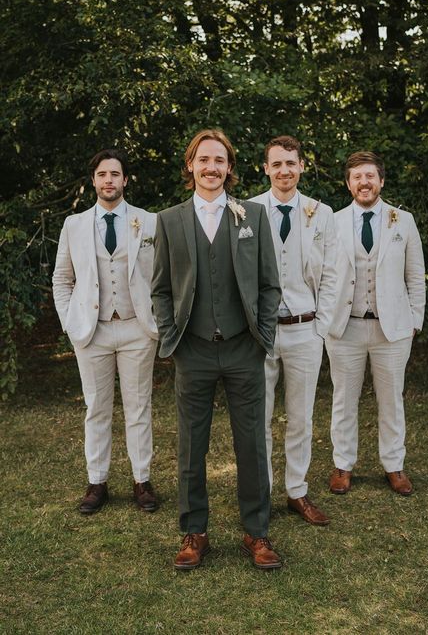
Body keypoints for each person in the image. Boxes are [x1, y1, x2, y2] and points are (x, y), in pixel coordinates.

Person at [151, 129, 282, 570]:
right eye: (204, 160)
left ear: (229, 167)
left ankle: (257, 533)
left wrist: (263, 337)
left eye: (219, 161)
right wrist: (172, 337)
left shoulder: (254, 216)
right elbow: (161, 289)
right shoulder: (169, 220)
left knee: (251, 443)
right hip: (193, 351)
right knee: (192, 445)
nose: (212, 168)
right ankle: (194, 531)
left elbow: (269, 284)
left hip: (245, 349)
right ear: (190, 165)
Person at [53, 149, 159, 514]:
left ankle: (141, 480)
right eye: (102, 174)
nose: (109, 180)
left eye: (115, 174)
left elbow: (161, 278)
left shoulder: (149, 222)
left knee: (138, 406)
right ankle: (97, 482)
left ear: (125, 179)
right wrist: (70, 321)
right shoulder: (74, 225)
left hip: (136, 329)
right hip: (92, 331)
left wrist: (155, 322)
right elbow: (62, 279)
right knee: (96, 407)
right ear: (93, 180)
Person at [326, 151, 426, 496]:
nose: (364, 182)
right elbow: (321, 275)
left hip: (392, 330)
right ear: (349, 183)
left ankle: (394, 466)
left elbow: (415, 275)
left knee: (391, 399)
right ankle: (343, 465)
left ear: (381, 181)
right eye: (357, 177)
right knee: (343, 398)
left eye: (370, 176)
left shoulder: (404, 221)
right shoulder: (332, 222)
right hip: (345, 328)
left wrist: (414, 320)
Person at [252, 135, 337, 526]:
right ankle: (263, 493)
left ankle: (297, 491)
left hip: (306, 328)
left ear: (302, 166)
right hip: (261, 332)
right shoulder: (245, 211)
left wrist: (322, 327)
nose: (284, 170)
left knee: (301, 416)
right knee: (259, 416)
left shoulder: (322, 213)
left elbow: (335, 275)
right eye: (277, 164)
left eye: (291, 163)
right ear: (266, 168)